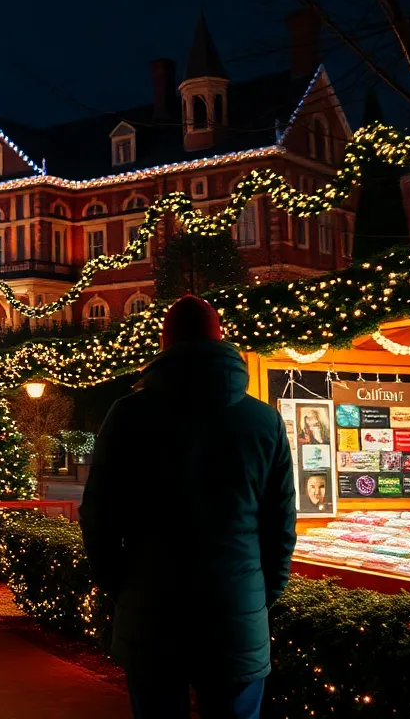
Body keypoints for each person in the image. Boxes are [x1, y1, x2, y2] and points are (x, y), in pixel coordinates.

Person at [79, 295, 296, 719]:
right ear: (221, 342)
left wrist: (120, 585)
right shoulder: (264, 421)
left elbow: (98, 514)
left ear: (165, 344)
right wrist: (261, 593)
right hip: (236, 609)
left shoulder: (128, 415)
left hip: (150, 609)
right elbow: (280, 524)